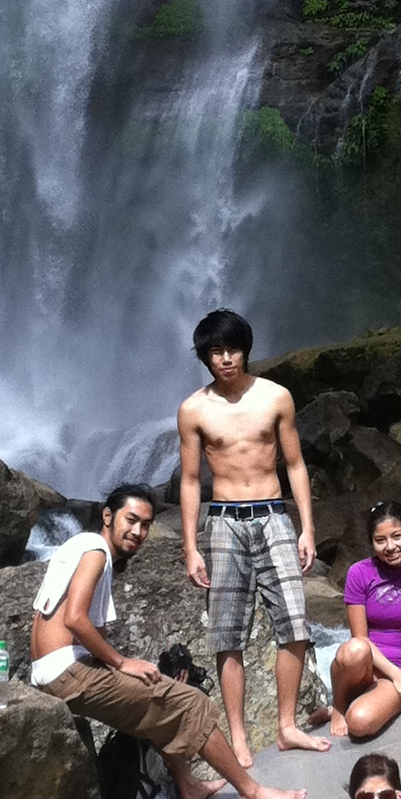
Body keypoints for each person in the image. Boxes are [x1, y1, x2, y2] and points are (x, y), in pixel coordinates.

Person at [30, 484, 302, 799]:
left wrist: (126, 668)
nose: (138, 532)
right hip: (66, 673)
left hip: (52, 669)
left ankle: (189, 787)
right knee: (190, 703)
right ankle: (253, 793)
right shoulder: (96, 552)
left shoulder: (81, 545)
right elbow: (75, 619)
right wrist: (120, 662)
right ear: (107, 516)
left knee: (162, 687)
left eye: (145, 525)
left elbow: (70, 625)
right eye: (131, 520)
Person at [176, 307, 330, 764]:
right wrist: (189, 548)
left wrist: (308, 528)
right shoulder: (193, 409)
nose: (226, 359)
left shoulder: (276, 397)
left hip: (273, 514)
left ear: (246, 350)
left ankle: (286, 727)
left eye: (233, 349)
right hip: (222, 520)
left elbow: (296, 464)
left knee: (295, 624)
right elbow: (189, 480)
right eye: (216, 351)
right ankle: (239, 737)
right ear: (205, 357)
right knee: (228, 634)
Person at [332, 502, 401, 739]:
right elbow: (360, 638)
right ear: (372, 543)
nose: (390, 547)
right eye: (380, 540)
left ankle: (364, 704)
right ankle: (338, 707)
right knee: (354, 649)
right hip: (363, 666)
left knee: (360, 722)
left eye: (397, 536)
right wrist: (395, 676)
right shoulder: (359, 572)